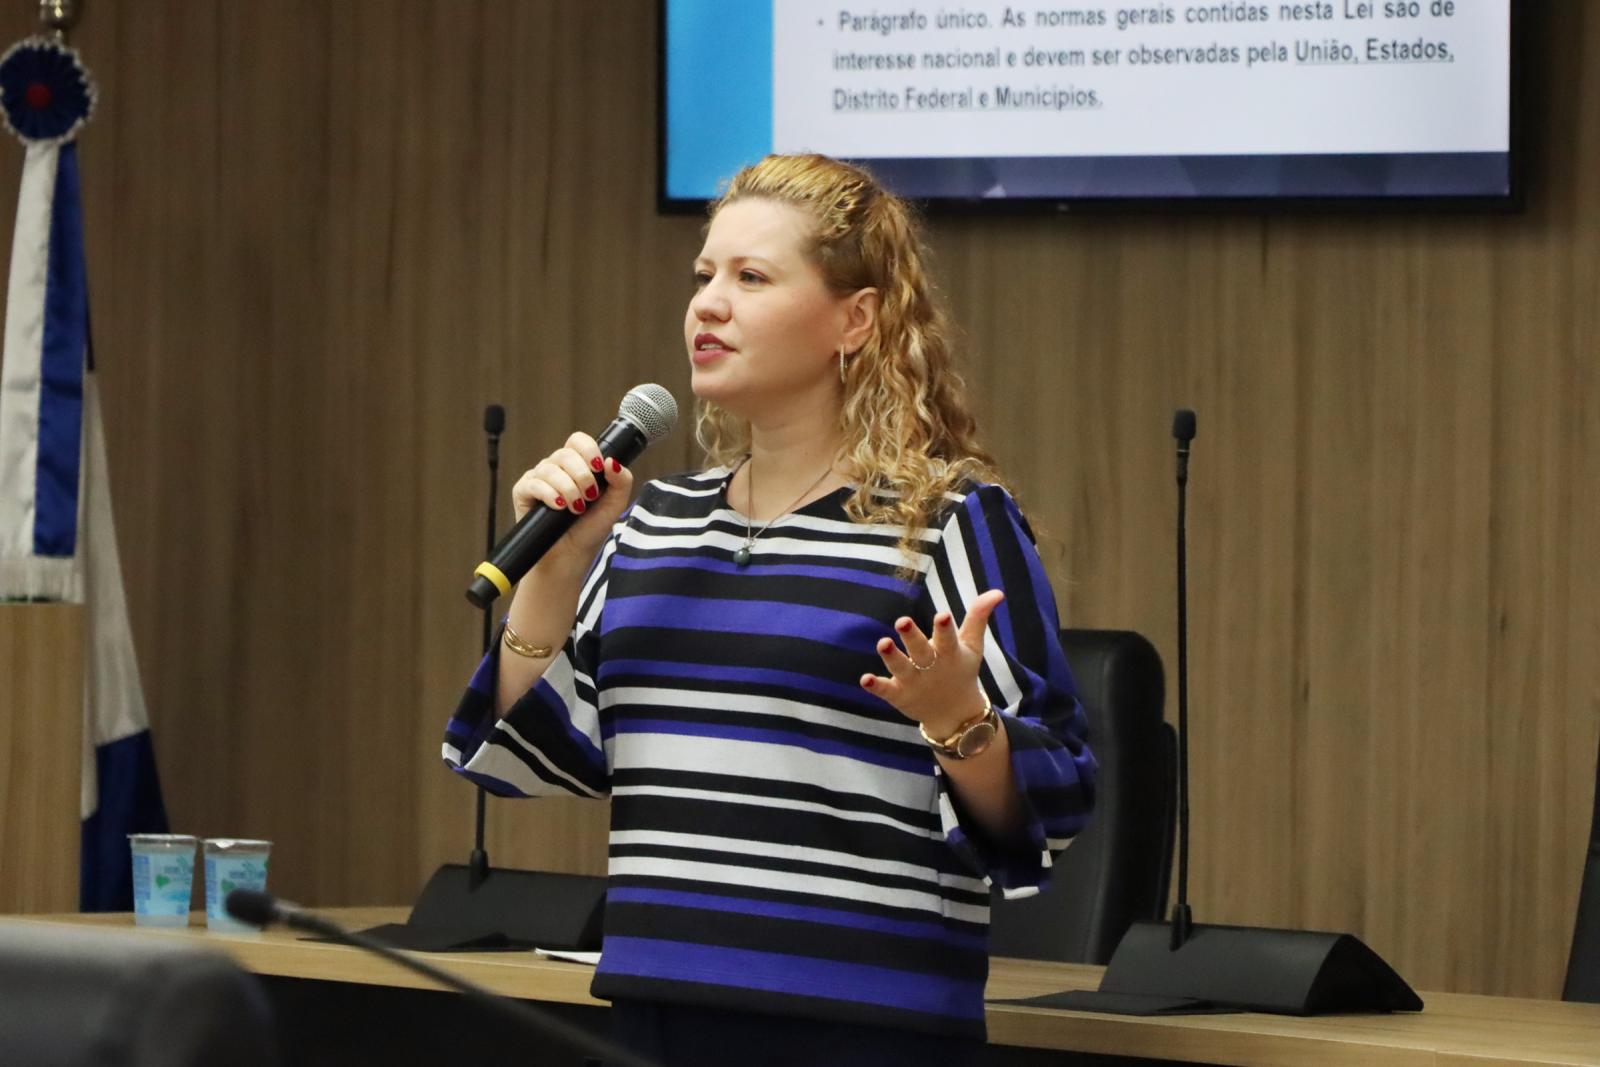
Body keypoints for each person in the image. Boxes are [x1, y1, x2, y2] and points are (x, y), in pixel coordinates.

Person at [443, 153, 1096, 1066]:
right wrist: (558, 566)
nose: (709, 303)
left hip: (868, 1024)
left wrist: (961, 723)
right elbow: (527, 755)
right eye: (703, 276)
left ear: (855, 318)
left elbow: (1059, 790)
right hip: (659, 1005)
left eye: (751, 278)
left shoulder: (943, 520)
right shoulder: (654, 521)